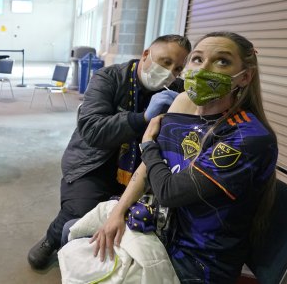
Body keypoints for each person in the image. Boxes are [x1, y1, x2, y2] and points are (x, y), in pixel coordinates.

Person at [90, 31, 277, 283]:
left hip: (199, 261)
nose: (203, 69)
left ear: (244, 77)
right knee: (75, 234)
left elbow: (169, 192)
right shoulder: (183, 107)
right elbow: (148, 168)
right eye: (197, 59)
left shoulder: (246, 136)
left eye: (222, 61)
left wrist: (147, 144)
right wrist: (118, 213)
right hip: (162, 231)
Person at [27, 34, 192, 270]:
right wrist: (142, 118)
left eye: (177, 68)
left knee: (151, 220)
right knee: (81, 211)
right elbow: (92, 129)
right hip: (93, 162)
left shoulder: (176, 90)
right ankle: (52, 239)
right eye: (164, 62)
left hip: (140, 168)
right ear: (146, 54)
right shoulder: (109, 78)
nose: (169, 73)